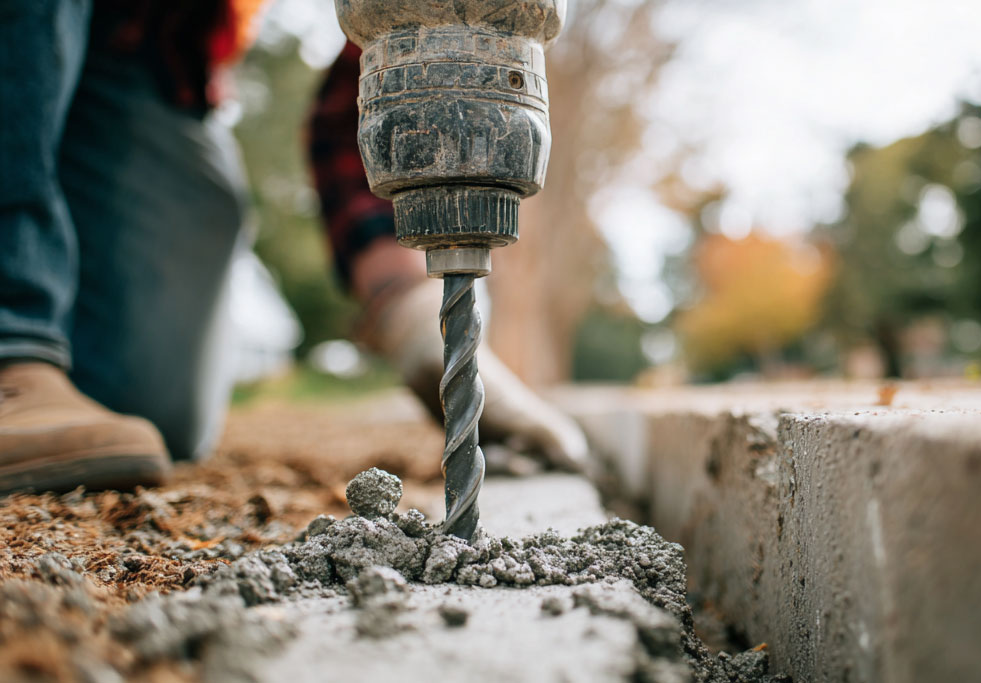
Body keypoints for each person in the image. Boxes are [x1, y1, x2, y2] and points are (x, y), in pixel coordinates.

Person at [0, 0, 588, 495]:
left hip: (141, 40)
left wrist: (409, 316)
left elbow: (361, 99)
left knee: (153, 414)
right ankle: (13, 348)